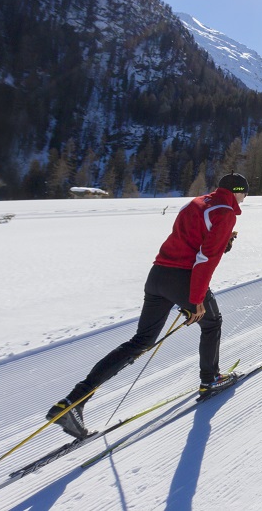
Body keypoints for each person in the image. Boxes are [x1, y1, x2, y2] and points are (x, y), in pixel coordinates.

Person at [47, 172, 250, 438]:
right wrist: (197, 299)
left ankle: (73, 402)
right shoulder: (226, 213)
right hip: (183, 278)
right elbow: (205, 259)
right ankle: (210, 380)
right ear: (237, 191)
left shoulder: (197, 203)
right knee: (212, 322)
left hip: (158, 275)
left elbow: (190, 241)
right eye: (245, 194)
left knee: (140, 341)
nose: (244, 199)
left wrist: (221, 243)